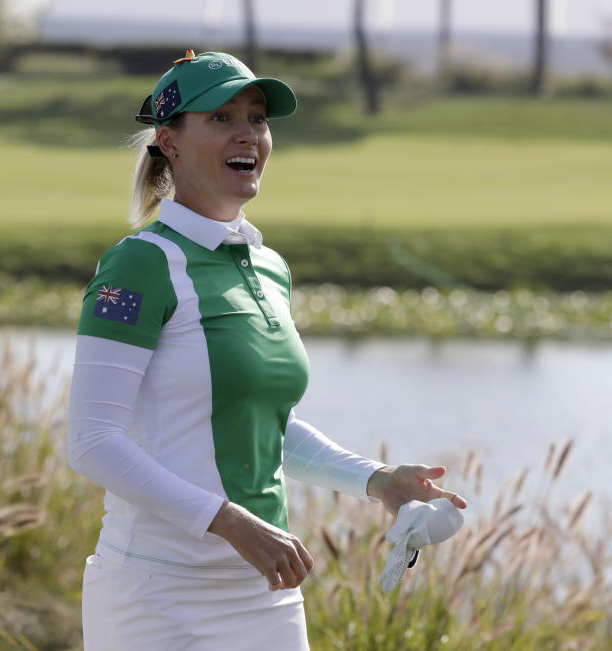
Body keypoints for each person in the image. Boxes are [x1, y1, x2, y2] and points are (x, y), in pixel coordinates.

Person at [67, 50, 468, 650]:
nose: (248, 134)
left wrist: (376, 480)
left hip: (263, 591)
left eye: (257, 118)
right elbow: (92, 442)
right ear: (169, 142)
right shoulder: (140, 264)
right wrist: (228, 522)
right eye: (222, 119)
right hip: (157, 593)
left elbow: (265, 428)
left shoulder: (268, 266)